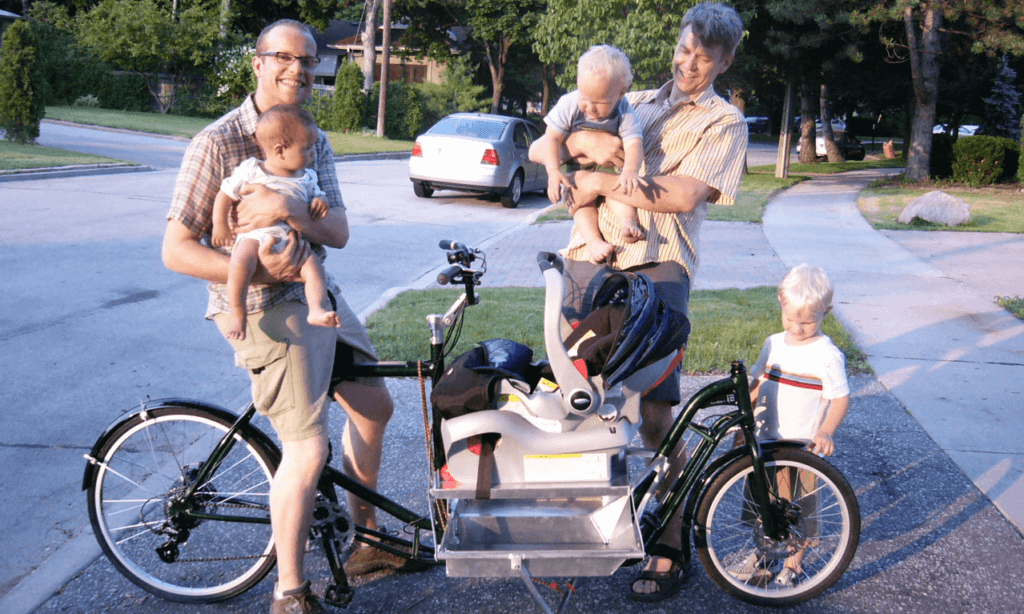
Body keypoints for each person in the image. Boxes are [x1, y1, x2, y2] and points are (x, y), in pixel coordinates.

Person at [163, 19, 411, 614]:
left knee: (375, 407)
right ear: (258, 63)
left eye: (308, 59)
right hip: (263, 307)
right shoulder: (218, 143)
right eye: (284, 58)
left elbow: (339, 231)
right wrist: (253, 269)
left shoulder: (313, 139)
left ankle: (367, 542)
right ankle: (289, 592)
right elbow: (176, 249)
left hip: (318, 293)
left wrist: (289, 211)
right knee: (306, 448)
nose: (298, 69)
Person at [529, 2, 747, 603]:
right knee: (574, 396)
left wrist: (598, 178)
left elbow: (682, 194)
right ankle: (575, 528)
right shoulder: (633, 99)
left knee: (655, 412)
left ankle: (670, 542)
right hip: (589, 257)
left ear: (726, 60)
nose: (688, 63)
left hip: (659, 267)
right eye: (683, 50)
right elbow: (545, 147)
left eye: (704, 57)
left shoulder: (724, 122)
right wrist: (577, 153)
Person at [731, 263, 851, 586]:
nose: (798, 328)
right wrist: (743, 420)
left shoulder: (827, 355)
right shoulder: (774, 343)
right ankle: (764, 553)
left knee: (796, 513)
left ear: (826, 311)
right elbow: (757, 383)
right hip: (765, 443)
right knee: (765, 505)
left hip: (800, 450)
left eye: (808, 321)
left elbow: (841, 398)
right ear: (781, 301)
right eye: (792, 319)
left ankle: (793, 565)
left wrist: (826, 430)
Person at [212, 104, 340, 341]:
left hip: (291, 239)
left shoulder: (307, 176)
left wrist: (321, 199)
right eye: (307, 148)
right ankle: (238, 315)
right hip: (256, 236)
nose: (313, 154)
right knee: (240, 263)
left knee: (314, 268)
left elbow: (318, 195)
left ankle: (316, 309)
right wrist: (220, 224)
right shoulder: (252, 170)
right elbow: (225, 194)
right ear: (280, 150)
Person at [535, 44, 647, 263]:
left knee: (622, 194)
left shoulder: (625, 111)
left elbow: (634, 144)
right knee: (579, 206)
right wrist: (553, 171)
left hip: (611, 172)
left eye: (600, 103)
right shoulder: (569, 104)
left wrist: (630, 171)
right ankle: (594, 242)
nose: (589, 108)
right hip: (579, 175)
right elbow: (552, 138)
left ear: (621, 93)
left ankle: (628, 223)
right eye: (585, 97)